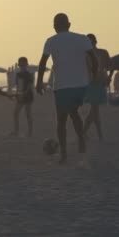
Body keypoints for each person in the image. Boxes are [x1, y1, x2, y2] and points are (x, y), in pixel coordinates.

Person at [36, 13, 98, 164]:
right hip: (81, 85)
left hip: (62, 86)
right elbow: (94, 60)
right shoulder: (83, 39)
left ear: (54, 26)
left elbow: (43, 63)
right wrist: (93, 78)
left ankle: (63, 154)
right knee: (74, 111)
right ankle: (81, 139)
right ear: (69, 25)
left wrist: (38, 82)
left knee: (62, 119)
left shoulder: (51, 41)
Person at [83, 34, 111, 141]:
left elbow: (109, 65)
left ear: (95, 42)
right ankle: (99, 135)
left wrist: (109, 78)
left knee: (94, 110)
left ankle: (83, 132)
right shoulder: (85, 55)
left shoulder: (103, 52)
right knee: (95, 110)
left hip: (100, 82)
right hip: (90, 84)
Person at [12, 57, 34, 137]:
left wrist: (24, 93)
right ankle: (16, 131)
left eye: (23, 65)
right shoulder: (18, 74)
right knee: (15, 113)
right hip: (20, 95)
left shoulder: (29, 75)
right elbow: (18, 86)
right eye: (21, 65)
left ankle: (30, 132)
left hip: (28, 96)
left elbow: (29, 86)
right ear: (19, 65)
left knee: (28, 114)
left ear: (26, 65)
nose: (22, 66)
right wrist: (17, 94)